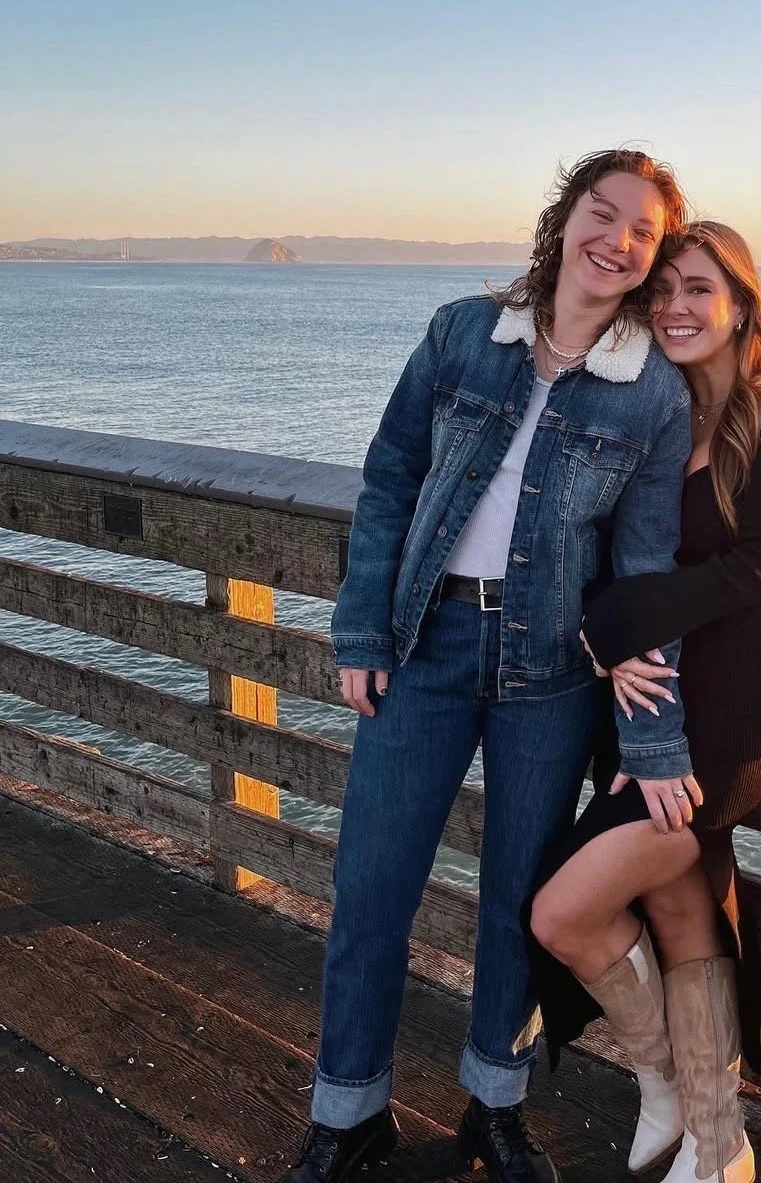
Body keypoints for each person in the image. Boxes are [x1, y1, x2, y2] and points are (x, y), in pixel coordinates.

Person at [283, 150, 697, 1183]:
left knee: (518, 898)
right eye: (605, 213)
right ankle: (348, 1114)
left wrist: (653, 737)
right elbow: (388, 478)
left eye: (641, 231)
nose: (618, 239)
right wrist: (361, 633)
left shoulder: (652, 392)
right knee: (372, 884)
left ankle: (495, 1106)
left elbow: (648, 569)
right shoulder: (463, 331)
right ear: (566, 219)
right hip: (424, 646)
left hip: (552, 669)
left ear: (649, 257)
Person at [530, 222, 761, 1183]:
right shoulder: (654, 420)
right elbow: (593, 556)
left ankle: (668, 1091)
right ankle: (712, 1136)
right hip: (642, 729)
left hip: (723, 740)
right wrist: (607, 636)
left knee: (562, 915)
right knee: (682, 912)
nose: (675, 307)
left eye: (699, 288)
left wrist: (616, 622)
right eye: (662, 290)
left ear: (741, 303)